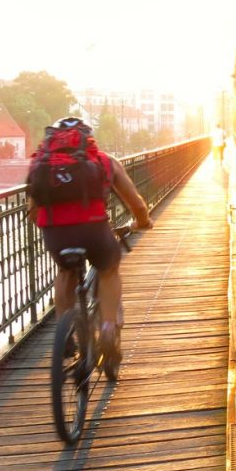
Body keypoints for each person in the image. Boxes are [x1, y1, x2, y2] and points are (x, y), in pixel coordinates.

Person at [27, 117, 153, 375]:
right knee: (108, 270)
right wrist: (142, 222)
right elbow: (137, 204)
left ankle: (65, 333)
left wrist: (54, 226)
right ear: (88, 139)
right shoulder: (104, 161)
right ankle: (107, 327)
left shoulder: (40, 163)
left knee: (66, 272)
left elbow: (32, 211)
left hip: (56, 235)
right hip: (94, 231)